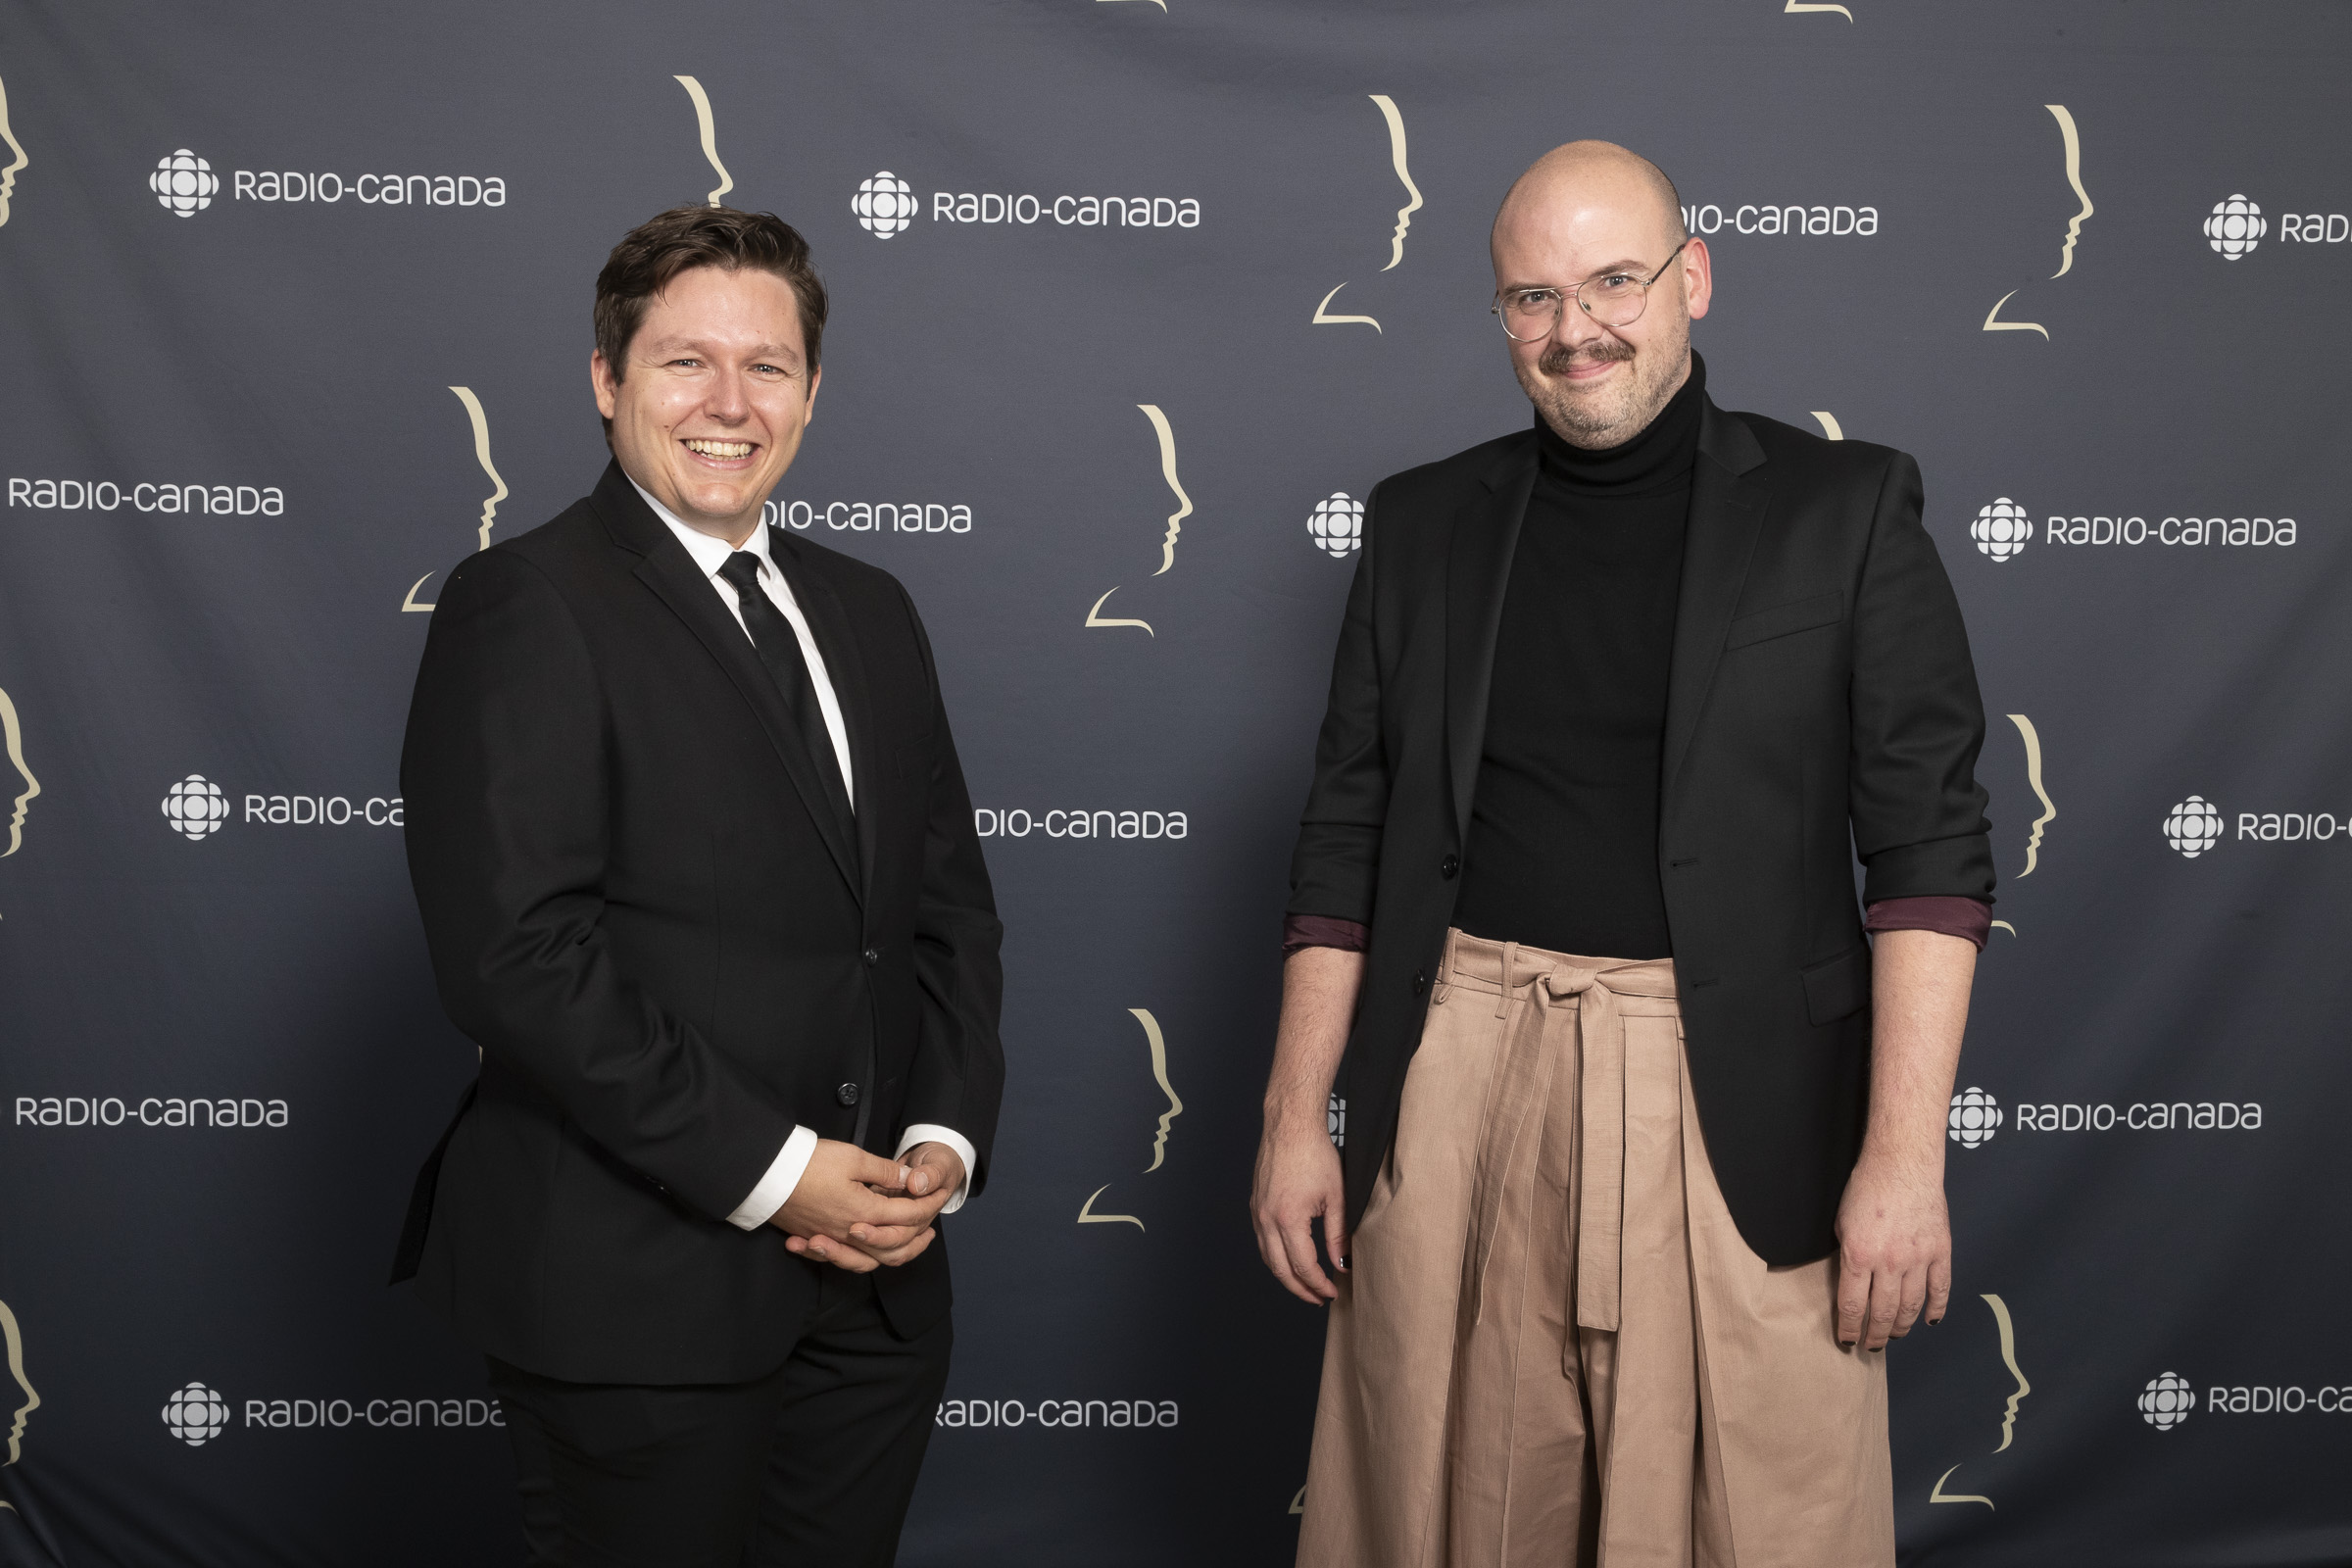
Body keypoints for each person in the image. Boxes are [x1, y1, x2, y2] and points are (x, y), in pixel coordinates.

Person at [1251, 141, 1993, 1566]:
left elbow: (1929, 860)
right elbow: (1343, 840)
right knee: (1446, 1515)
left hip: (1735, 1102)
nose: (1574, 329)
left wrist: (1905, 1161)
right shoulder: (1418, 523)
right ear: (1500, 314)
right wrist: (1297, 1119)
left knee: (1752, 1521)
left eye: (1613, 282)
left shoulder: (1846, 508)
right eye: (1532, 297)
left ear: (1693, 278)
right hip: (1459, 1070)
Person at [393, 206, 1004, 1566]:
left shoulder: (871, 609)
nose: (730, 403)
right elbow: (517, 959)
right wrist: (783, 1177)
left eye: (766, 366)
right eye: (685, 362)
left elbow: (945, 912)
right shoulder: (525, 601)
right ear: (606, 379)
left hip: (875, 1293)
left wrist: (940, 1149)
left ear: (811, 390)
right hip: (635, 1301)